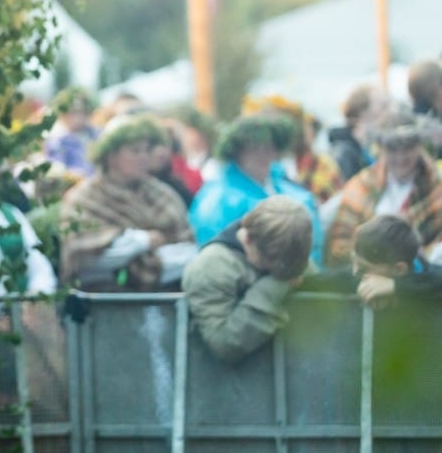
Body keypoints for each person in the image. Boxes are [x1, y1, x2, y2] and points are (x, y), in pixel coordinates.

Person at [58, 116, 198, 292]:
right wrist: (145, 241)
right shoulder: (84, 198)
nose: (144, 157)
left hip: (164, 291)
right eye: (135, 151)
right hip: (103, 300)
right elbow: (86, 259)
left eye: (147, 150)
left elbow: (188, 250)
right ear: (111, 155)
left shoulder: (163, 194)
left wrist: (142, 254)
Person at [181, 196, 314, 363]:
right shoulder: (212, 268)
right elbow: (225, 343)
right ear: (247, 239)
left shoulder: (286, 251)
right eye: (270, 262)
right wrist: (276, 285)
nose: (277, 269)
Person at [188, 114, 322, 263]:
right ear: (236, 152)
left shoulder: (288, 188)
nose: (262, 154)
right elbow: (214, 255)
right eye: (253, 148)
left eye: (269, 146)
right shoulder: (217, 199)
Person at [325, 112, 442, 268]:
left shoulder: (436, 186)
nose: (400, 157)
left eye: (408, 148)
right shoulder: (361, 185)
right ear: (380, 148)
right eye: (392, 149)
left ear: (419, 145)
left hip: (419, 281)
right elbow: (340, 243)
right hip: (363, 276)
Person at [304, 214, 442, 305]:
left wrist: (397, 287)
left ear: (399, 269)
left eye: (363, 268)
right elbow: (327, 280)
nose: (355, 272)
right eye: (353, 262)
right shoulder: (359, 276)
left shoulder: (429, 277)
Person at [327, 84, 387, 182]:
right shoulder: (344, 152)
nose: (387, 110)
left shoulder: (367, 147)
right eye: (382, 105)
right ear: (363, 112)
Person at [44, 87, 100, 178]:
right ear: (63, 115)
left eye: (82, 111)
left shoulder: (96, 134)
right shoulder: (57, 140)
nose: (77, 117)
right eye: (73, 112)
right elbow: (57, 168)